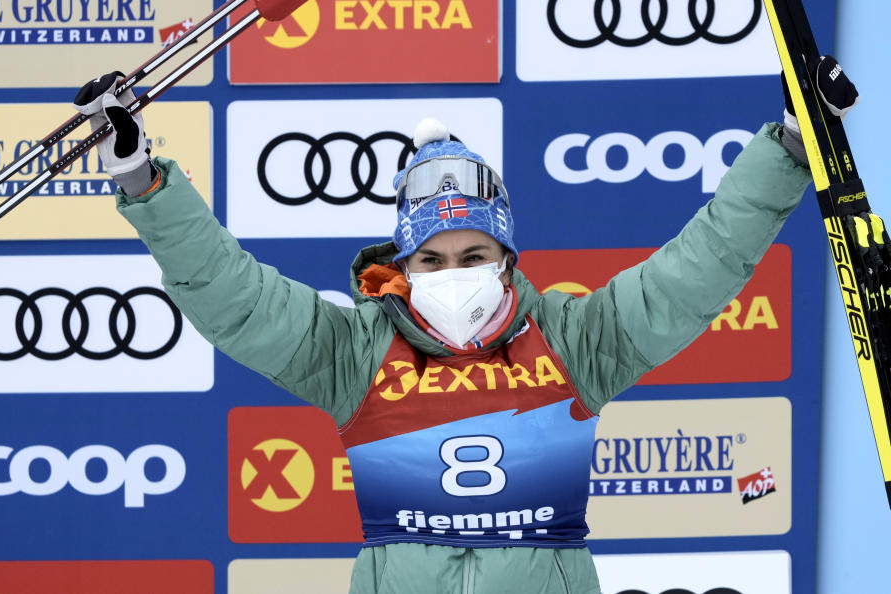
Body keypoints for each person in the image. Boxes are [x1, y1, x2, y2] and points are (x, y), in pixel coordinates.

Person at [73, 57, 858, 593]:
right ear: (404, 263)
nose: (456, 275)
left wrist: (791, 146)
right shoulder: (353, 351)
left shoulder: (576, 341)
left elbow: (700, 268)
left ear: (508, 256)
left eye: (475, 252)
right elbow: (228, 292)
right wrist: (141, 178)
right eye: (435, 259)